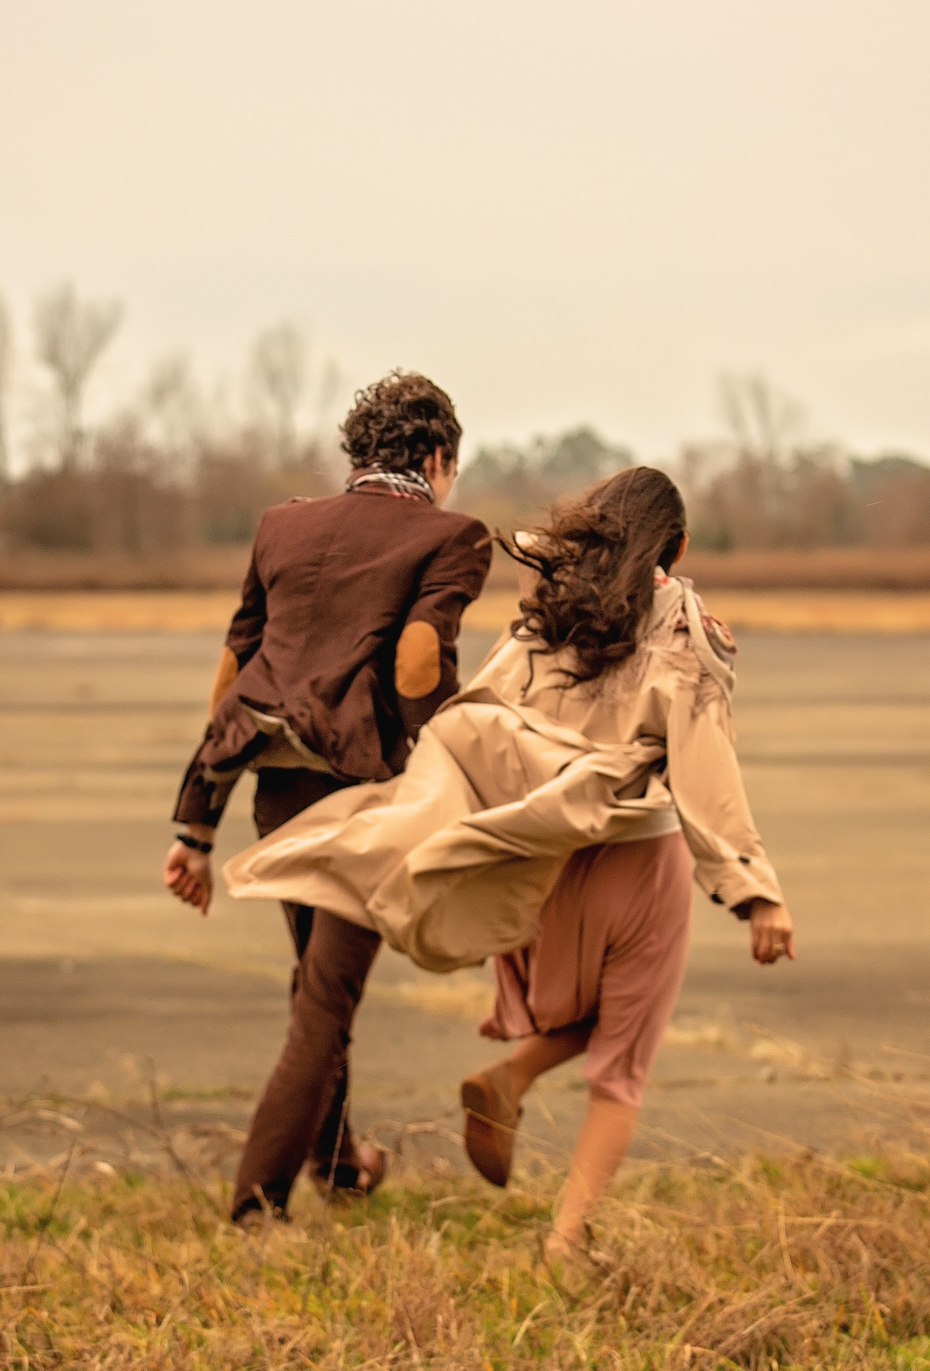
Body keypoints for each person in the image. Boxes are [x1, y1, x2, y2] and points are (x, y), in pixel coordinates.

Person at [222, 465, 795, 1261]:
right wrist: (752, 890)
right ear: (680, 545)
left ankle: (512, 1079)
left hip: (543, 862)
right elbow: (705, 761)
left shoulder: (544, 618)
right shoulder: (685, 625)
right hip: (638, 859)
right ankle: (566, 1238)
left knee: (596, 1017)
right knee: (624, 1058)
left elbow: (477, 720)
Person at [161, 371, 493, 1224]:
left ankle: (340, 1162)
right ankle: (254, 1206)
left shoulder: (283, 524)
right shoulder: (451, 535)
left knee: (316, 982)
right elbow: (419, 659)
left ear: (358, 453)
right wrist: (445, 774)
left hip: (277, 791)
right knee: (325, 1002)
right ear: (437, 456)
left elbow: (234, 675)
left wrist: (195, 825)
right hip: (363, 802)